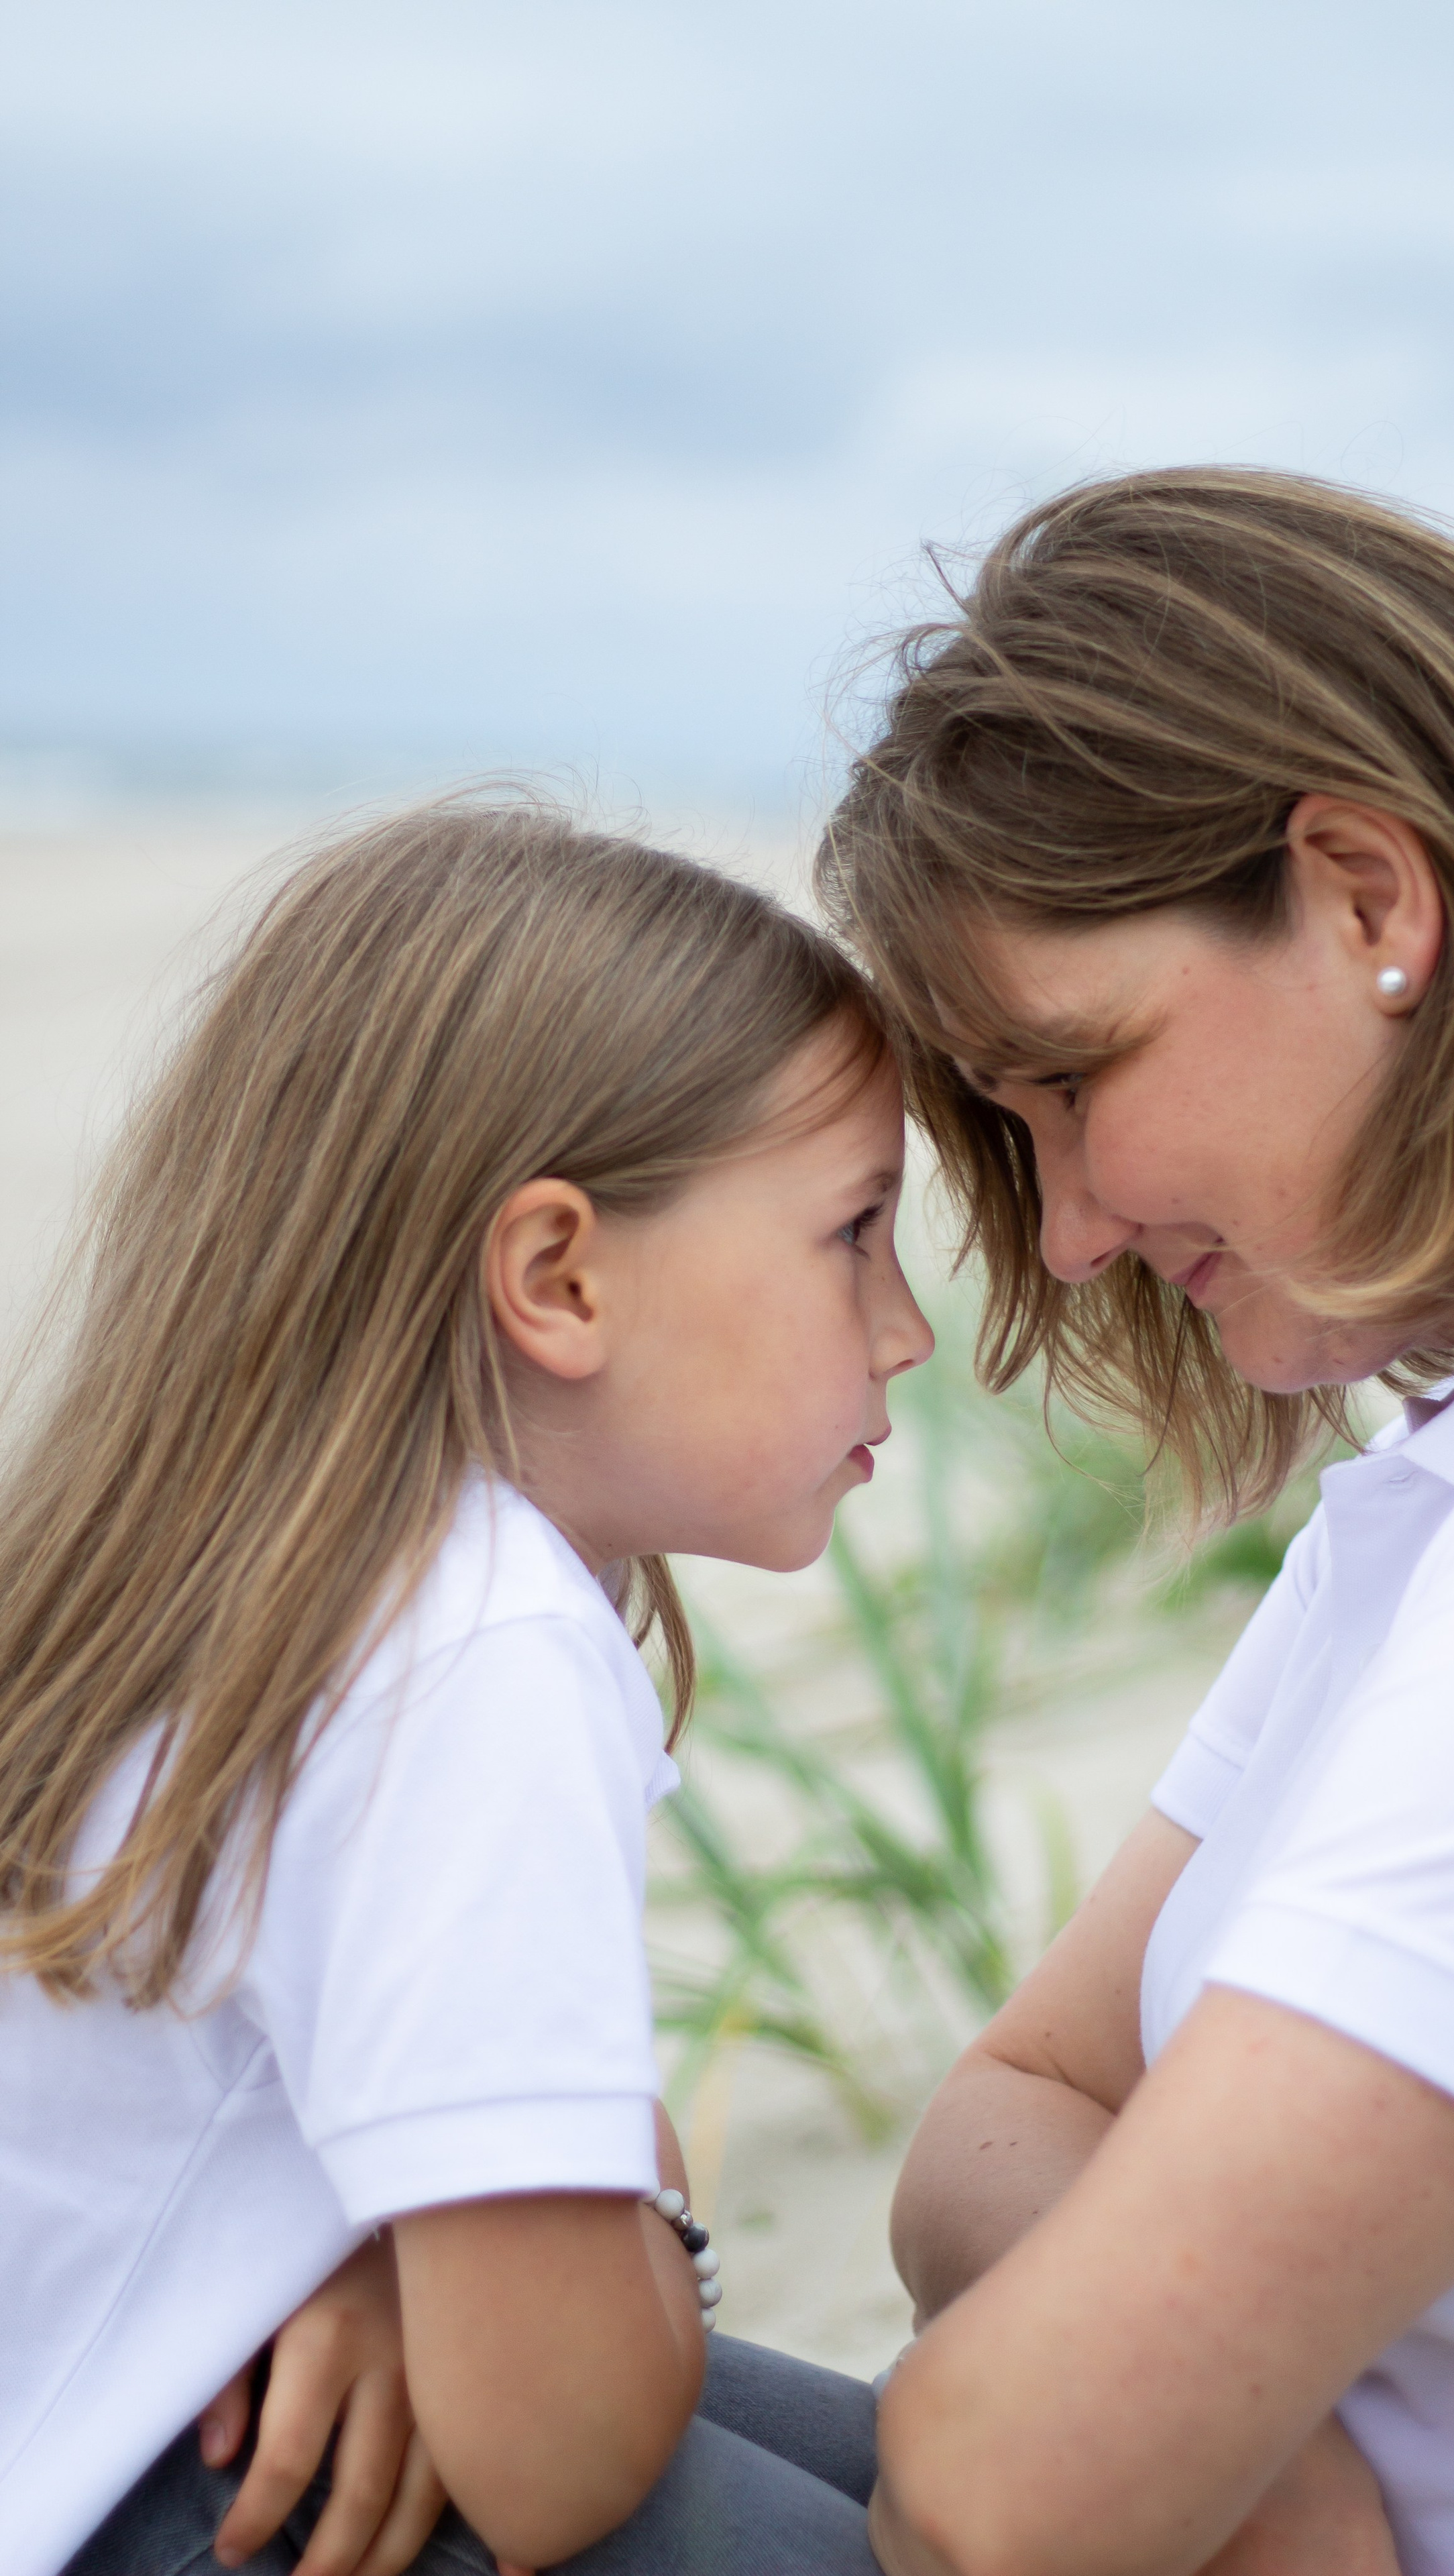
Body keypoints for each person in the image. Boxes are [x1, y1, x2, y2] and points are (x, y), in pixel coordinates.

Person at [816, 468, 1454, 2575]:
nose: (1074, 1228)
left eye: (1075, 1081)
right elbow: (1005, 2106)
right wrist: (1274, 2467)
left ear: (1368, 900)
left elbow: (1011, 2495)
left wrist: (1169, 2428)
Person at [0, 798, 931, 2576]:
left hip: (123, 2440)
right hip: (172, 2501)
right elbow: (556, 2457)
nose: (907, 1328)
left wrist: (408, 2244)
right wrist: (641, 2212)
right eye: (855, 1233)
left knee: (926, 2488)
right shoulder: (472, 1642)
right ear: (558, 1275)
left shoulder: (282, 1571)